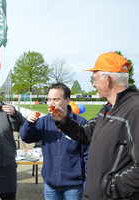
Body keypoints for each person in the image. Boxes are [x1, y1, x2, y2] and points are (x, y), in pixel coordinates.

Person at [52, 52, 139, 199]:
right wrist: (64, 120)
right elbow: (86, 135)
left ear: (108, 80)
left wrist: (109, 187)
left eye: (95, 79)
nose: (93, 84)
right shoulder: (107, 108)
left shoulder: (134, 109)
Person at [19, 83, 89, 200]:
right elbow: (26, 137)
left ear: (67, 101)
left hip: (74, 186)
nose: (51, 103)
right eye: (49, 99)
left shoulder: (81, 123)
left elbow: (88, 154)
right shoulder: (44, 121)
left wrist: (89, 180)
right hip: (50, 185)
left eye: (56, 99)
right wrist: (29, 123)